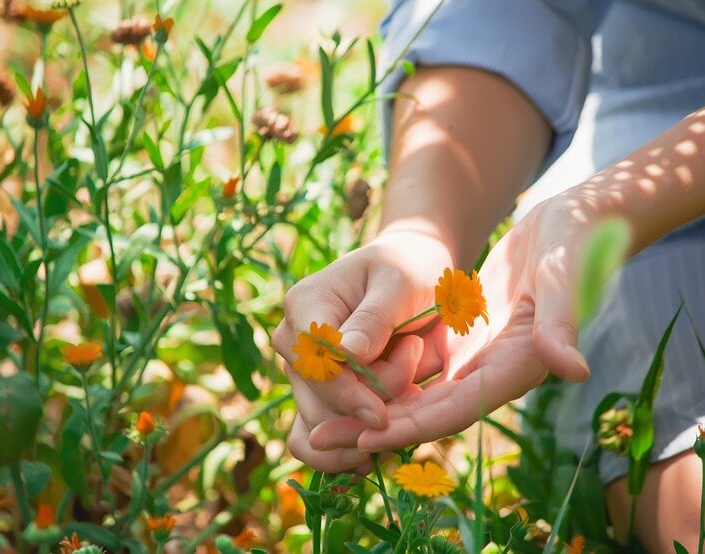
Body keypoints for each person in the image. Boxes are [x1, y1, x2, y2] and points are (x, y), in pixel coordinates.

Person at [272, 0, 705, 550]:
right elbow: (508, 12)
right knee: (687, 504)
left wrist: (617, 203)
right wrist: (422, 234)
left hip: (648, 188)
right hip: (656, 148)